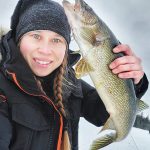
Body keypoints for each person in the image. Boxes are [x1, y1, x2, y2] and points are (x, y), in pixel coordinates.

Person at [0, 0, 148, 150]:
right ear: (19, 38)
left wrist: (133, 82)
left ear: (66, 46)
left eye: (56, 39)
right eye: (36, 36)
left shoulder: (70, 82)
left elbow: (100, 113)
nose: (45, 50)